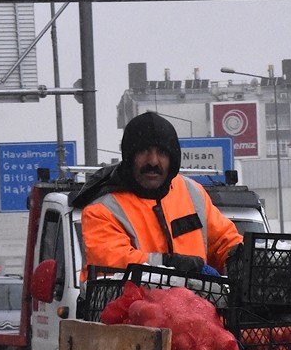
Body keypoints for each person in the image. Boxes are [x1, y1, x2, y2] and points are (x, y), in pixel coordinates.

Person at [73, 111, 243, 280]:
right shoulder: (102, 209)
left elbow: (223, 240)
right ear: (130, 157)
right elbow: (115, 263)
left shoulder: (193, 193)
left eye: (162, 152)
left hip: (195, 303)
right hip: (128, 305)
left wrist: (238, 258)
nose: (153, 161)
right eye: (144, 151)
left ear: (173, 158)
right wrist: (173, 265)